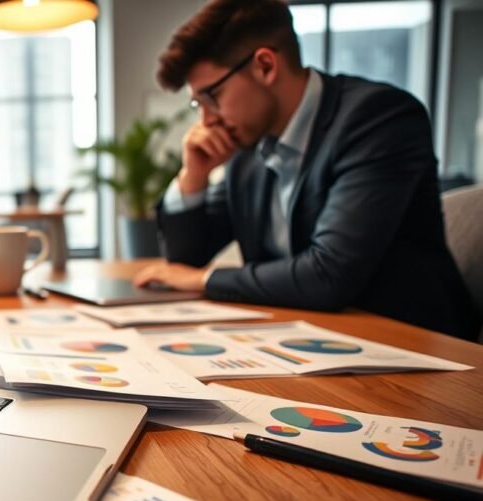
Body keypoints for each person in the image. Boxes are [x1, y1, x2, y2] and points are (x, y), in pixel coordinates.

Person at [132, 0, 477, 339]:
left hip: (408, 344)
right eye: (198, 103)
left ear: (265, 66)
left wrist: (204, 280)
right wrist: (193, 178)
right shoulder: (249, 148)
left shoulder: (378, 119)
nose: (206, 119)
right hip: (302, 336)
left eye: (212, 96)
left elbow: (329, 275)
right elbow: (183, 263)